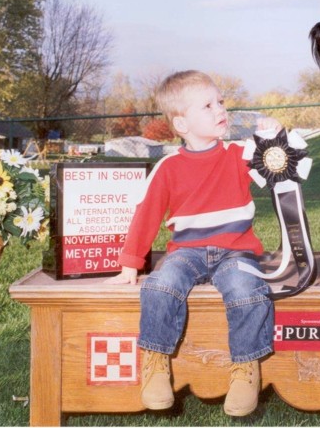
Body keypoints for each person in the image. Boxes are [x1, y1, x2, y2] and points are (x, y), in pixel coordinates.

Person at [105, 70, 280, 417]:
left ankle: (245, 369)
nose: (220, 110)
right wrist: (130, 261)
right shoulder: (169, 167)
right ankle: (155, 362)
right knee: (161, 283)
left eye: (221, 102)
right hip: (187, 252)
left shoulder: (240, 155)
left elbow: (278, 171)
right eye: (208, 105)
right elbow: (147, 214)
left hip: (237, 250)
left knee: (246, 286)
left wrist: (273, 140)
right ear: (181, 124)